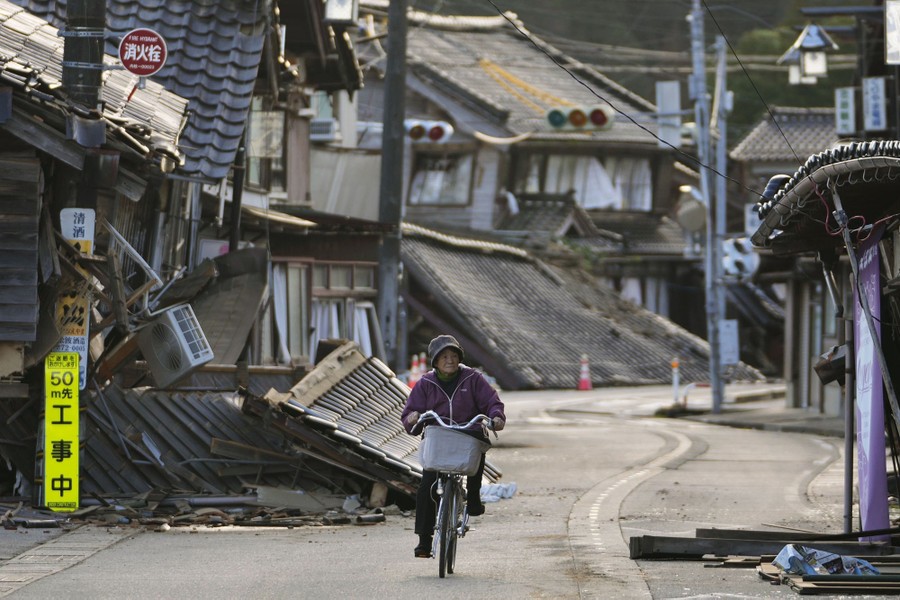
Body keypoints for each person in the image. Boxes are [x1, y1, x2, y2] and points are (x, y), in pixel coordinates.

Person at [401, 334, 506, 558]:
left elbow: (491, 401)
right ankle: (424, 541)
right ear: (435, 362)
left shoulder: (473, 379)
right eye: (445, 357)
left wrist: (496, 417)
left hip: (467, 433)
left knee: (478, 452)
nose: (450, 360)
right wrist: (412, 418)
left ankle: (474, 499)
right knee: (426, 486)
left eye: (454, 355)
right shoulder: (426, 384)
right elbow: (410, 411)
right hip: (438, 437)